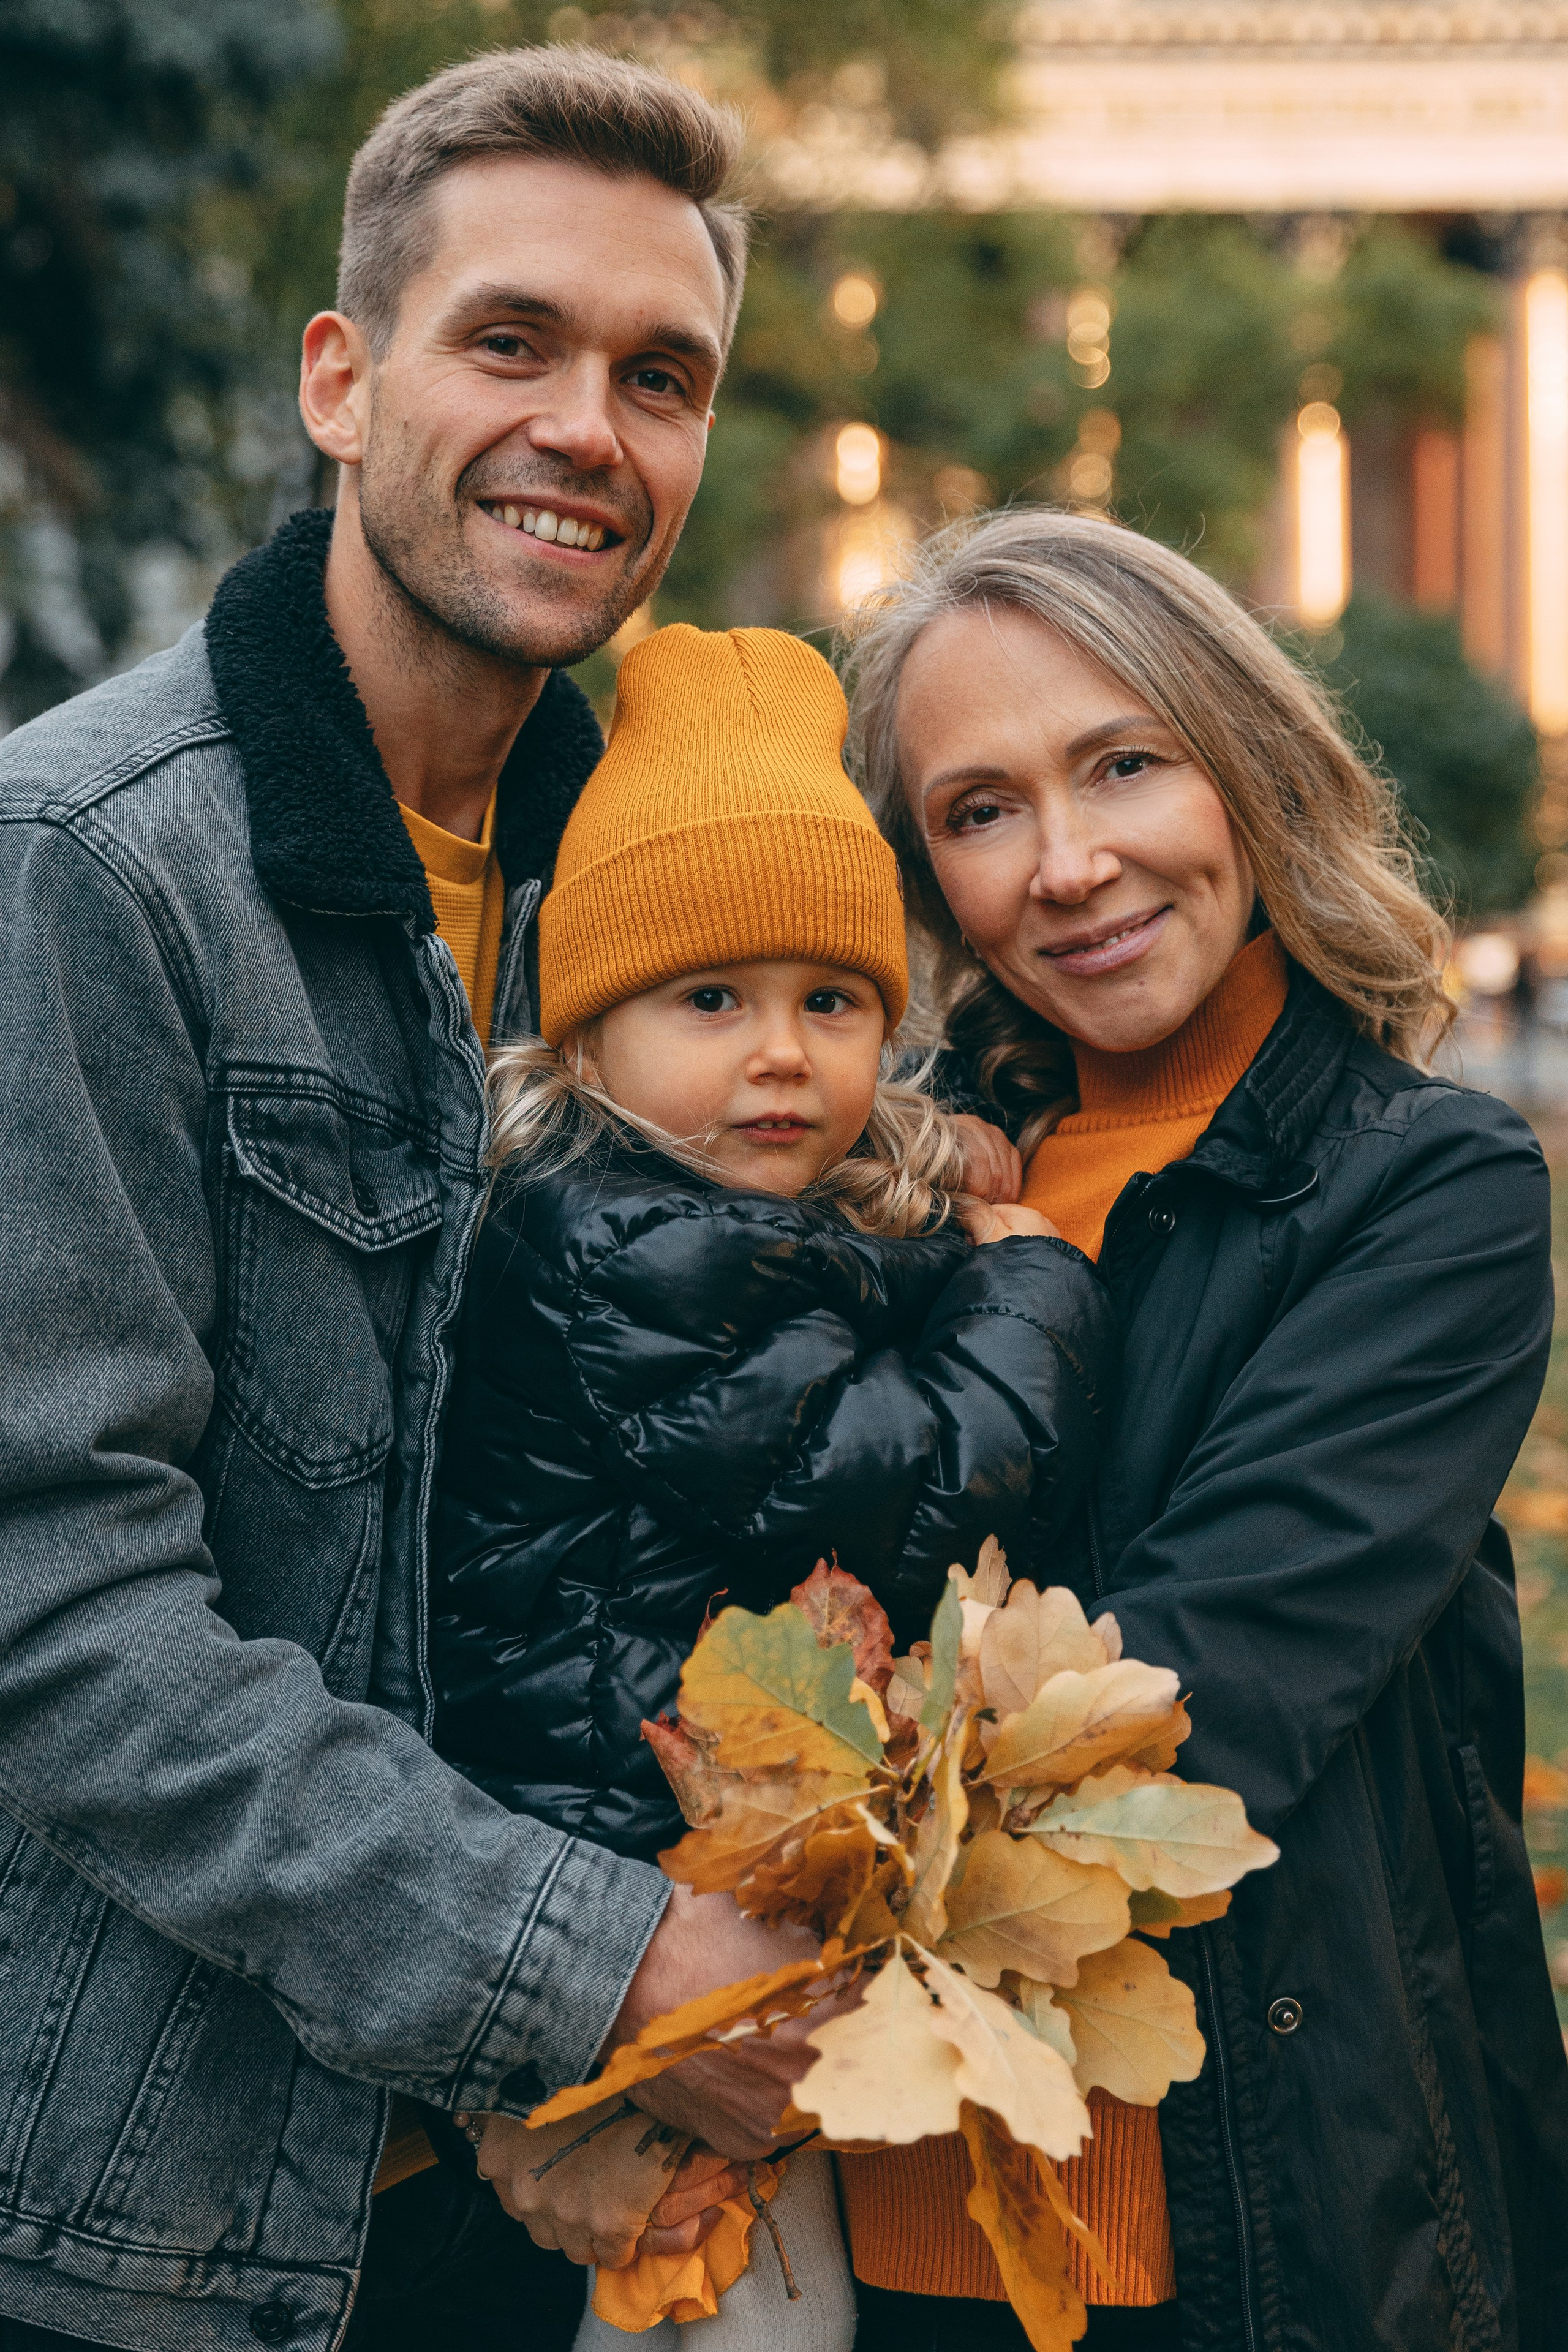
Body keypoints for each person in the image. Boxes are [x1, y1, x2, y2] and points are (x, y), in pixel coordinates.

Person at [0, 47, 824, 2352]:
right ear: (342, 383)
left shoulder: (660, 893)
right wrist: (606, 1953)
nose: (590, 426)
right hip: (152, 2223)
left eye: (660, 377)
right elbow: (53, 1609)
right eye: (512, 343)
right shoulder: (89, 866)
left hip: (541, 2193)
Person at [835, 507, 1568, 2352]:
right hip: (912, 2220)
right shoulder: (884, 1187)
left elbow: (1197, 1707)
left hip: (1285, 2219)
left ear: (1243, 764)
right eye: (981, 809)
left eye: (1125, 765)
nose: (1070, 865)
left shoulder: (1422, 1189)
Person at [422, 620, 1118, 2338]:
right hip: (635, 1877)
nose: (781, 1054)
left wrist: (926, 1167)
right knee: (729, 2291)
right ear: (587, 1036)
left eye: (834, 1002)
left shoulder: (684, 1206)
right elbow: (902, 1484)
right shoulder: (627, 1246)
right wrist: (1031, 1275)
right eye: (709, 1000)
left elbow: (840, 1281)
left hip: (679, 1848)